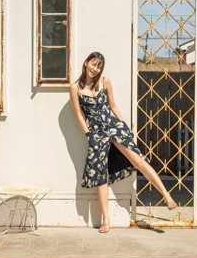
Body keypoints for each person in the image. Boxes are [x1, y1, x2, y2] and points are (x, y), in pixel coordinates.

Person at [70, 51, 177, 233]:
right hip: (96, 134)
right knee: (100, 176)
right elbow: (79, 115)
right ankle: (106, 220)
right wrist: (89, 135)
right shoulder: (75, 88)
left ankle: (167, 196)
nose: (95, 69)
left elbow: (113, 106)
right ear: (86, 63)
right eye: (93, 64)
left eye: (99, 66)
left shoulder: (105, 81)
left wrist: (123, 125)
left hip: (114, 127)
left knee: (138, 160)